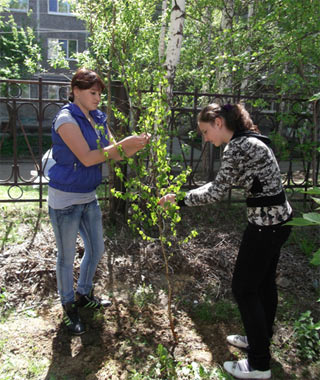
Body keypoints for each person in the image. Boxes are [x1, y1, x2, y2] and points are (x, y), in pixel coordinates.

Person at [159, 103, 292, 380]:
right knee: (263, 285)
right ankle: (260, 342)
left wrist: (180, 199)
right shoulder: (250, 139)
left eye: (206, 131)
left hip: (264, 226)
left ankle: (258, 365)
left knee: (244, 289)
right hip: (279, 223)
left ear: (219, 122)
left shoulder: (237, 146)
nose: (206, 139)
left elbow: (216, 192)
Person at [48, 68, 150, 335]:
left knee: (96, 250)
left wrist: (134, 146)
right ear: (76, 91)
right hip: (65, 200)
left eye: (100, 94)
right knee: (66, 257)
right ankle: (69, 306)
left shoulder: (97, 118)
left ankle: (83, 295)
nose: (97, 98)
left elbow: (114, 154)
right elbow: (88, 158)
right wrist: (123, 144)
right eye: (93, 93)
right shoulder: (66, 119)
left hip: (88, 196)